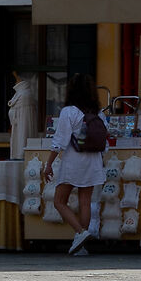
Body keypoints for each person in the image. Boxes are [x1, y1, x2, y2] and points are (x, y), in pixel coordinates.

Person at [44, 70, 109, 255]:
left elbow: (59, 142)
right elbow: (105, 140)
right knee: (85, 202)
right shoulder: (98, 113)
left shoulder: (69, 112)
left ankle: (80, 232)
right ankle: (81, 245)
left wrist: (48, 164)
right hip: (93, 161)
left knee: (59, 201)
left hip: (74, 161)